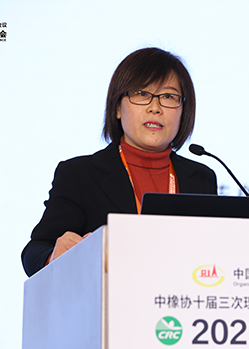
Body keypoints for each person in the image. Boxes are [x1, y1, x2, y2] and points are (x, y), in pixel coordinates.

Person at [21, 47, 218, 277]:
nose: (155, 107)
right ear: (117, 108)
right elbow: (34, 252)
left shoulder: (201, 178)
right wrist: (53, 256)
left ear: (183, 111)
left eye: (168, 97)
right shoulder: (79, 175)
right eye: (141, 93)